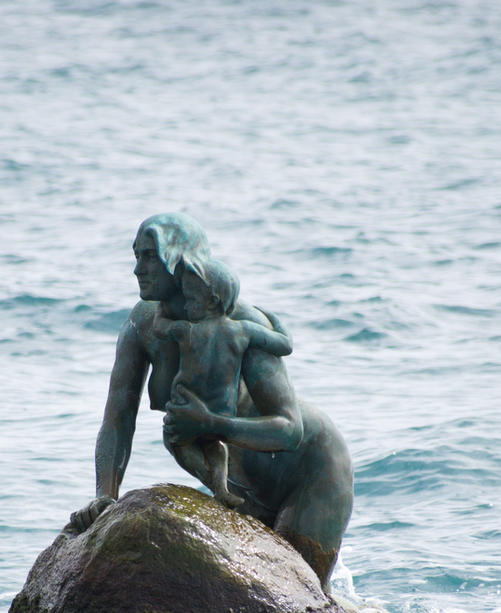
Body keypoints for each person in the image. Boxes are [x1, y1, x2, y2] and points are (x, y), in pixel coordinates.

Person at [70, 213, 353, 587]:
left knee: (302, 595)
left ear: (182, 261)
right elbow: (118, 419)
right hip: (241, 486)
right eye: (136, 256)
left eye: (150, 256)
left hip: (311, 469)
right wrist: (105, 498)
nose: (137, 269)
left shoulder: (239, 325)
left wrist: (209, 424)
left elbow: (290, 431)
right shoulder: (143, 326)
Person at [153, 255, 292, 508]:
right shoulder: (242, 331)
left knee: (175, 441)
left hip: (185, 406)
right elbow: (284, 345)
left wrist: (162, 307)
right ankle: (221, 489)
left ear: (212, 301)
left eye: (190, 300)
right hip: (220, 412)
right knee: (216, 447)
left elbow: (159, 327)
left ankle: (213, 485)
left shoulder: (187, 330)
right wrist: (273, 319)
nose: (185, 306)